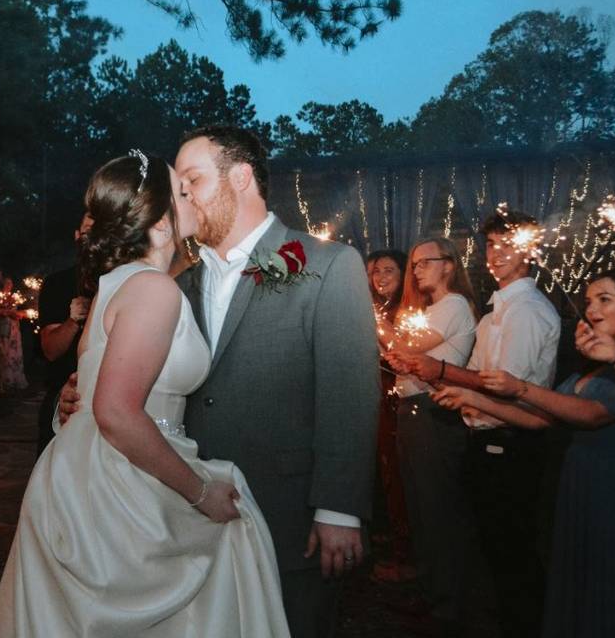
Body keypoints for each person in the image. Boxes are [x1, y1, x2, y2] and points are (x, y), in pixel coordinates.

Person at [62, 127, 381, 637]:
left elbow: (349, 395)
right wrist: (81, 390)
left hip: (287, 510)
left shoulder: (326, 265)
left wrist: (339, 508)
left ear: (241, 177)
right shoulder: (173, 283)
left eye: (192, 181)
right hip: (184, 509)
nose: (181, 196)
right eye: (178, 186)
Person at [0, 151, 291, 637]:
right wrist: (200, 492)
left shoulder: (113, 285)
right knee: (232, 540)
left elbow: (85, 400)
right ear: (162, 223)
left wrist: (70, 406)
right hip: (125, 485)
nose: (192, 196)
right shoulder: (153, 289)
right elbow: (114, 411)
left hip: (90, 471)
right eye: (183, 191)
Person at [393, 211, 560, 636]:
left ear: (530, 249)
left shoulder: (524, 312)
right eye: (491, 245)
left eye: (508, 244)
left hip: (512, 443)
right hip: (482, 439)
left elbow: (508, 387)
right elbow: (478, 372)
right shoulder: (495, 313)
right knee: (485, 547)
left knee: (510, 555)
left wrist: (442, 373)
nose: (497, 254)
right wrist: (447, 380)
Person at [432, 269, 615, 638]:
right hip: (575, 487)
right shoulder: (591, 367)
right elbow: (540, 420)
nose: (592, 310)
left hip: (610, 490)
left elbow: (588, 414)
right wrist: (472, 398)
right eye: (587, 302)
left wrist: (519, 386)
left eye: (605, 299)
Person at [380, 237, 497, 635]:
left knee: (438, 510)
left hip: (436, 413)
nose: (416, 271)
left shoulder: (453, 306)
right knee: (421, 508)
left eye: (423, 263)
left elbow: (404, 345)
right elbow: (402, 357)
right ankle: (433, 592)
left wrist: (375, 319)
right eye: (413, 264)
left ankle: (449, 604)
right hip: (416, 411)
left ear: (448, 265)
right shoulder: (430, 309)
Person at [365, 249, 414, 583]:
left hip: (400, 399)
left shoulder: (410, 313)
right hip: (373, 397)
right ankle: (388, 536)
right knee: (380, 469)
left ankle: (408, 553)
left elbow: (404, 355)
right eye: (375, 272)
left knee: (400, 472)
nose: (380, 277)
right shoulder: (367, 310)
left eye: (388, 270)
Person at [35, 212, 93, 456]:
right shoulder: (57, 283)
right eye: (88, 231)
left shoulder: (123, 282)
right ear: (77, 236)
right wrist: (73, 321)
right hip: (63, 400)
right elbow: (50, 350)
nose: (93, 240)